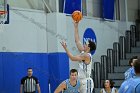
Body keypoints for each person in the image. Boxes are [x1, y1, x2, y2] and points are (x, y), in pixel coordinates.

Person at [61, 22, 96, 93]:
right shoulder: (83, 52)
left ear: (89, 47)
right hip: (79, 81)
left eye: (86, 44)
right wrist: (76, 27)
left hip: (86, 81)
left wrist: (65, 48)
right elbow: (77, 41)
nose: (84, 44)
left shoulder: (86, 56)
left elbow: (72, 58)